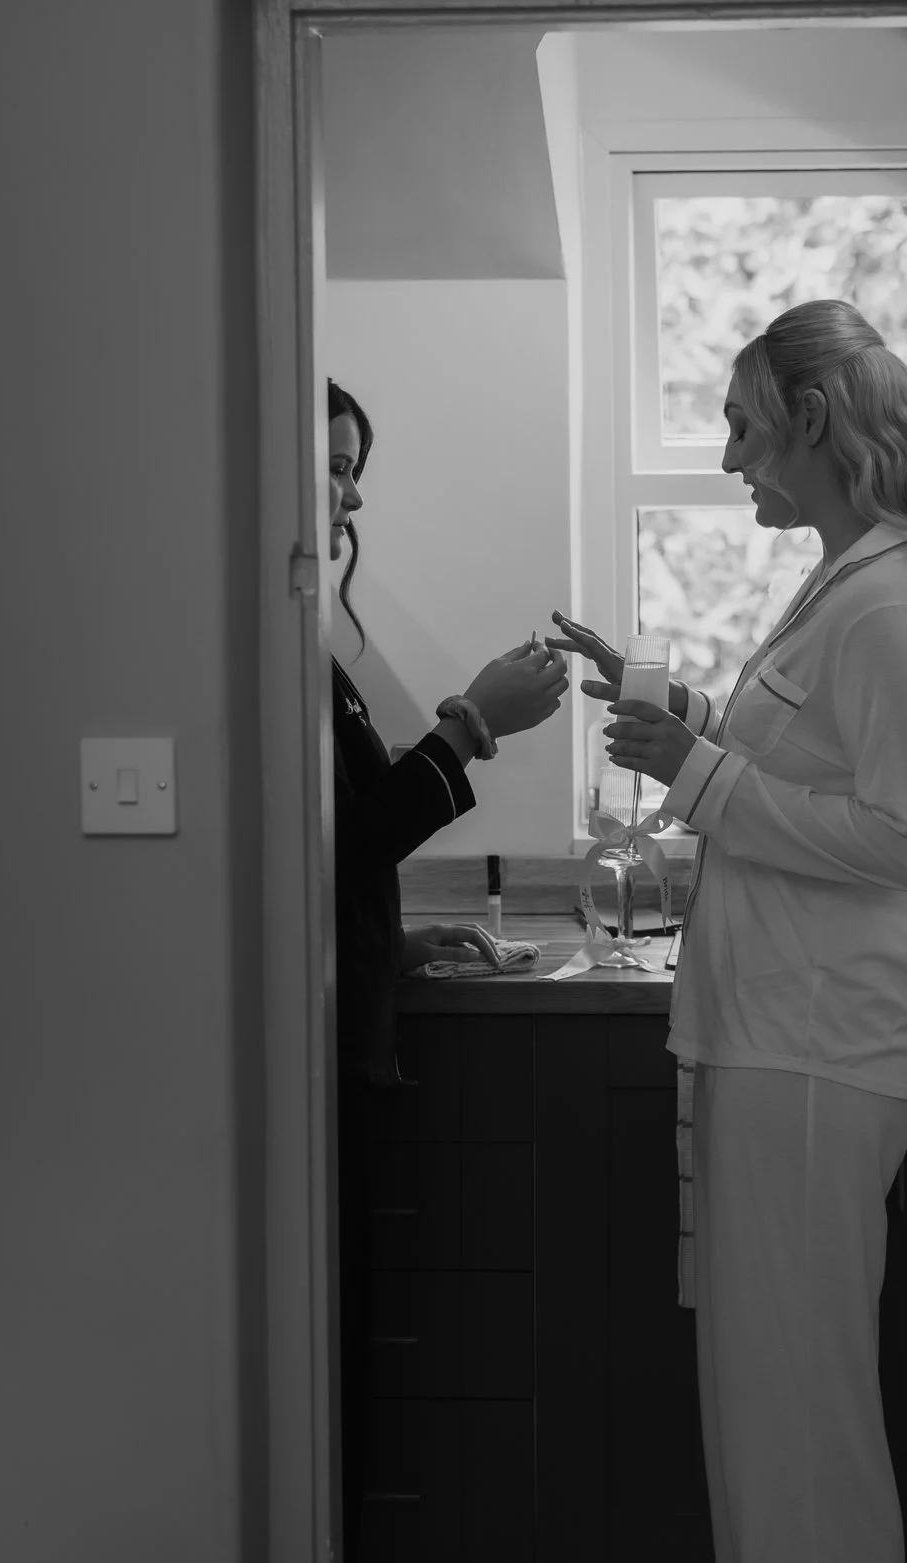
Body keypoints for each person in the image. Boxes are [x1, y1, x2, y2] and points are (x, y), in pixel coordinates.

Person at [548, 301, 907, 1563]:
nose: (728, 457)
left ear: (812, 420)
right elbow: (808, 753)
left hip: (816, 1047)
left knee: (796, 1405)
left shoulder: (888, 606)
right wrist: (663, 704)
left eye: (742, 426)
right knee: (766, 1396)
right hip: (779, 1038)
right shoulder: (849, 584)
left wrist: (690, 774)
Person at [325, 378, 566, 1556]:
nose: (353, 489)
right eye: (333, 462)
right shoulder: (285, 646)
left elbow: (314, 873)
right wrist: (471, 719)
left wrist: (399, 939)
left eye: (355, 464)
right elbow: (342, 835)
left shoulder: (304, 642)